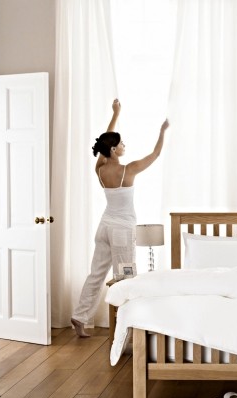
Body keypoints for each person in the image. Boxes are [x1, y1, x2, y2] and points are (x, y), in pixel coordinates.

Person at [71, 99, 169, 337]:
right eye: (121, 143)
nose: (125, 145)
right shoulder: (129, 169)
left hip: (104, 227)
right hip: (122, 232)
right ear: (114, 150)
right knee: (125, 277)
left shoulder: (101, 169)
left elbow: (106, 139)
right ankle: (128, 327)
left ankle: (80, 316)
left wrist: (115, 114)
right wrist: (162, 131)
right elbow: (156, 154)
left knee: (96, 274)